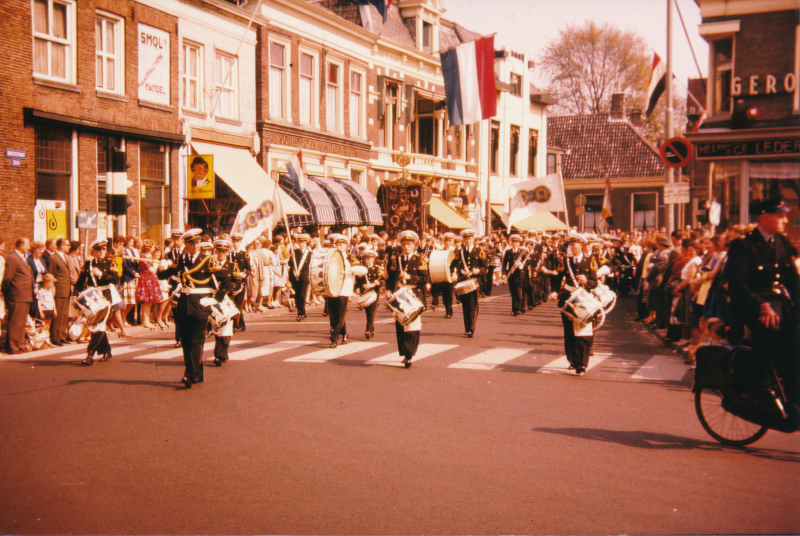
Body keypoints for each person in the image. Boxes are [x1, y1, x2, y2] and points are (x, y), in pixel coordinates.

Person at [726, 196, 800, 403]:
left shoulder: (782, 242)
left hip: (779, 303)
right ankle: (756, 385)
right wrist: (761, 305)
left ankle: (792, 396)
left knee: (795, 338)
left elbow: (793, 281)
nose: (785, 221)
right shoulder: (743, 244)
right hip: (751, 303)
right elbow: (737, 283)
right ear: (765, 218)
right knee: (771, 332)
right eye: (781, 216)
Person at [158, 229, 214, 388]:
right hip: (184, 304)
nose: (195, 246)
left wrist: (215, 299)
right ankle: (197, 373)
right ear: (186, 244)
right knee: (186, 341)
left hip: (201, 303)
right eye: (191, 243)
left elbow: (224, 280)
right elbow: (163, 276)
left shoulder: (208, 259)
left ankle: (190, 374)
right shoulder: (181, 259)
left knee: (196, 340)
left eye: (197, 243)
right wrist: (162, 267)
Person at [556, 234, 598, 376]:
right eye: (570, 246)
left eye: (575, 245)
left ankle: (582, 364)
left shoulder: (590, 260)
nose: (572, 248)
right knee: (569, 333)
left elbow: (595, 282)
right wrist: (555, 292)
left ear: (581, 245)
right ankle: (573, 360)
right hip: (568, 300)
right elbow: (558, 278)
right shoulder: (565, 261)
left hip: (584, 301)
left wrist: (587, 282)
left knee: (584, 333)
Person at [385, 230, 428, 367]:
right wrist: (388, 290)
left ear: (415, 246)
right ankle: (404, 352)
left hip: (414, 295)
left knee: (413, 326)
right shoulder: (396, 260)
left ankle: (409, 354)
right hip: (400, 294)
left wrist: (411, 277)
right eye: (404, 244)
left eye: (409, 244)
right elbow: (391, 278)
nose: (406, 247)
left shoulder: (419, 259)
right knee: (401, 325)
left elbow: (426, 278)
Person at [74, 240, 119, 365]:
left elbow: (115, 279)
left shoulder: (110, 262)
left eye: (104, 249)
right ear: (93, 251)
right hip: (91, 297)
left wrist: (101, 274)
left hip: (104, 296)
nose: (102, 252)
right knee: (98, 326)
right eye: (99, 250)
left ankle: (90, 355)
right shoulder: (88, 263)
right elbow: (80, 281)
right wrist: (75, 295)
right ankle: (107, 351)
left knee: (97, 325)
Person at [208, 239, 239, 367]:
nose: (221, 254)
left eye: (223, 252)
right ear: (215, 251)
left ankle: (220, 355)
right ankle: (220, 353)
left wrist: (230, 287)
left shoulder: (232, 265)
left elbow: (238, 282)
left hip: (226, 299)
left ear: (227, 253)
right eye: (219, 251)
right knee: (217, 326)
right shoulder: (210, 264)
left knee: (225, 327)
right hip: (213, 298)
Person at [451, 229, 486, 338]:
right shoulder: (459, 251)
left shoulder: (479, 250)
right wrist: (454, 273)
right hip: (463, 281)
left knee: (473, 305)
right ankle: (467, 328)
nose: (468, 240)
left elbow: (484, 267)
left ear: (473, 239)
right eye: (466, 239)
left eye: (470, 238)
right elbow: (452, 265)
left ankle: (471, 328)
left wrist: (478, 271)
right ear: (464, 240)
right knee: (465, 305)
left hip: (474, 281)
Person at [2, 238, 34, 354]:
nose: (29, 247)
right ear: (21, 245)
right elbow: (7, 278)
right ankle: (12, 345)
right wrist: (6, 293)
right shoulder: (13, 258)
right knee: (15, 321)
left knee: (21, 322)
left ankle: (20, 343)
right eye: (27, 245)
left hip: (25, 294)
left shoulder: (21, 257)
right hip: (16, 294)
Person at [327, 235, 358, 348]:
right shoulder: (331, 257)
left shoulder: (350, 257)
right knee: (333, 314)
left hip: (344, 288)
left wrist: (349, 271)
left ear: (346, 246)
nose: (339, 246)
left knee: (341, 314)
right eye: (338, 244)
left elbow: (357, 270)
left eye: (342, 244)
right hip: (333, 287)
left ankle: (334, 338)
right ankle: (344, 333)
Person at [354, 248, 384, 339]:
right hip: (365, 292)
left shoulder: (377, 268)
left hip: (374, 292)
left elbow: (383, 280)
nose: (367, 260)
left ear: (373, 259)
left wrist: (379, 283)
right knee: (368, 312)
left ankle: (367, 330)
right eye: (366, 258)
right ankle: (371, 328)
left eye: (369, 258)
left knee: (372, 311)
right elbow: (357, 281)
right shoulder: (361, 269)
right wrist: (357, 288)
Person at [47, 238, 72, 346]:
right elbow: (51, 274)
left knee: (64, 314)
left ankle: (62, 335)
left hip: (66, 289)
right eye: (67, 245)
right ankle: (55, 337)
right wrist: (52, 288)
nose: (69, 247)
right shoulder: (53, 258)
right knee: (58, 315)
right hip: (59, 289)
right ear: (61, 245)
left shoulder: (65, 257)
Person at [135, 239, 161, 330]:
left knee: (149, 302)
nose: (154, 249)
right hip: (146, 280)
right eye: (153, 247)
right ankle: (145, 321)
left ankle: (147, 320)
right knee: (146, 302)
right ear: (149, 248)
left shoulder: (148, 257)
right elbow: (151, 270)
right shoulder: (144, 257)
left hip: (150, 279)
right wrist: (156, 264)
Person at [288, 233, 312, 321]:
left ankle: (301, 313)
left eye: (303, 242)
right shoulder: (295, 252)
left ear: (306, 242)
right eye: (300, 242)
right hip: (295, 276)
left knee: (302, 294)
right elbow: (290, 264)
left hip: (303, 276)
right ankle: (302, 311)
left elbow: (309, 265)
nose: (301, 244)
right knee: (297, 294)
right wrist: (291, 258)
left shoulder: (309, 253)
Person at [503, 234, 527, 316]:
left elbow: (527, 262)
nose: (514, 244)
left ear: (519, 243)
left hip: (519, 275)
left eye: (516, 242)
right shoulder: (508, 252)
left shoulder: (522, 252)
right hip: (511, 275)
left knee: (518, 291)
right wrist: (504, 273)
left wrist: (521, 264)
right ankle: (514, 308)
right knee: (513, 292)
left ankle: (518, 308)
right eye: (513, 242)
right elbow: (504, 263)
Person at [27, 242, 48, 320]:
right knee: (34, 308)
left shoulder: (41, 260)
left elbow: (46, 273)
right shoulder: (29, 260)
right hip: (33, 287)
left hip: (41, 286)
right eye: (39, 250)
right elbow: (28, 276)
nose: (41, 251)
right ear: (34, 250)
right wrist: (33, 287)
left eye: (42, 250)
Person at [37, 274, 57, 344]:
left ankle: (47, 339)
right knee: (44, 325)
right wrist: (41, 312)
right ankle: (41, 340)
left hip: (50, 309)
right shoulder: (41, 292)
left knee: (48, 325)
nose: (52, 285)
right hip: (44, 310)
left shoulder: (50, 291)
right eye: (51, 284)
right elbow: (39, 302)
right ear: (46, 284)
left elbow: (52, 300)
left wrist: (54, 309)